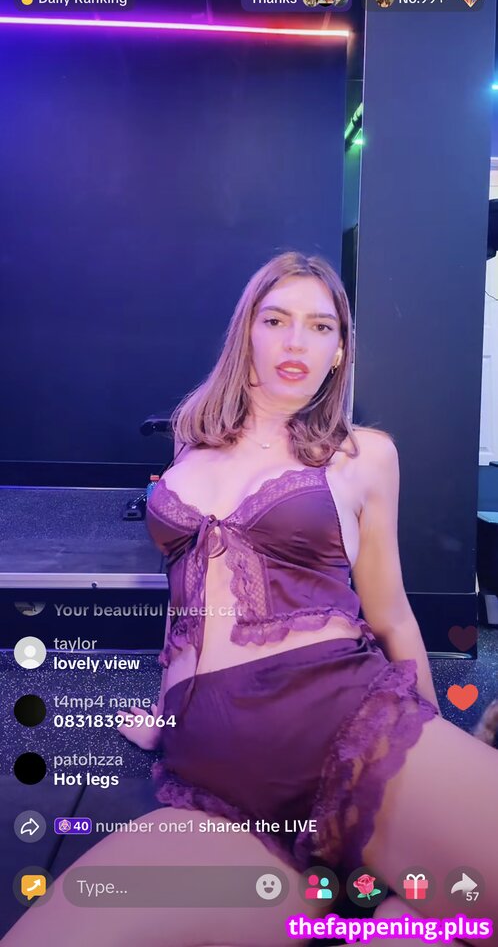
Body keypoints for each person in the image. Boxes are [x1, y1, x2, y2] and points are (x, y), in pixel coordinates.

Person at [4, 251, 497, 947]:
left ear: (339, 351)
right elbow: (186, 601)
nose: (297, 342)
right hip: (211, 781)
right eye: (276, 320)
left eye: (321, 327)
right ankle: (383, 908)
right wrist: (165, 712)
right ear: (248, 333)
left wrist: (427, 732)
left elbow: (389, 613)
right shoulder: (190, 443)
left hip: (347, 729)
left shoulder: (363, 454)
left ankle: (391, 905)